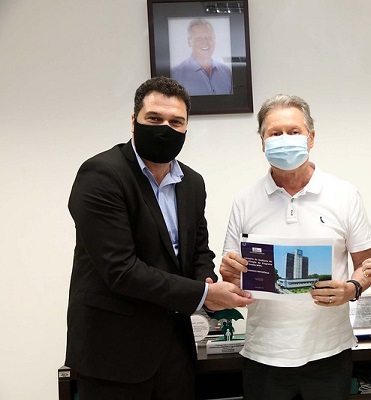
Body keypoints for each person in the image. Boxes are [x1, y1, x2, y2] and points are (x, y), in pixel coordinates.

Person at [65, 76, 253, 400]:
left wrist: (208, 282)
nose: (165, 128)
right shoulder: (101, 175)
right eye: (154, 119)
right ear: (133, 121)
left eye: (176, 122)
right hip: (113, 355)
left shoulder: (192, 182)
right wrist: (204, 293)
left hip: (175, 353)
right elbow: (121, 270)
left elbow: (198, 253)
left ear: (186, 127)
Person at [219, 94, 371, 400]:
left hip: (329, 351)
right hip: (264, 353)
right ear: (262, 142)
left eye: (294, 131)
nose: (284, 139)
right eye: (274, 133)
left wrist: (351, 289)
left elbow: (366, 266)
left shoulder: (344, 194)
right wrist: (229, 273)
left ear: (311, 138)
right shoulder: (245, 200)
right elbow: (232, 277)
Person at [170, 18, 233, 96]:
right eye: (199, 38)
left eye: (209, 38)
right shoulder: (175, 75)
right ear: (189, 41)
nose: (205, 42)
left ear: (214, 40)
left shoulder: (226, 72)